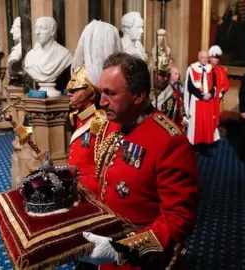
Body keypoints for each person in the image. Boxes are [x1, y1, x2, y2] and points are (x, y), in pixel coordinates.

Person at [79, 52, 199, 270]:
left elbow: (179, 218)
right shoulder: (113, 123)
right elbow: (103, 178)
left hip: (142, 259)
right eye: (101, 92)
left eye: (110, 93)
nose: (102, 102)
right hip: (101, 242)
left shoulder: (169, 141)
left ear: (139, 96)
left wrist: (123, 249)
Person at [67, 20, 122, 195]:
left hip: (88, 191)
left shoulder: (102, 122)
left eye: (76, 90)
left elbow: (102, 172)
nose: (70, 94)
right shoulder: (80, 117)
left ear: (91, 93)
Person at [184, 51, 220, 149]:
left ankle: (206, 144)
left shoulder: (210, 69)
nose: (204, 59)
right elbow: (190, 87)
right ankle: (195, 144)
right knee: (196, 123)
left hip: (208, 101)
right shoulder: (191, 69)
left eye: (206, 57)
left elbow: (215, 86)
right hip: (197, 101)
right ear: (198, 57)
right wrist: (201, 96)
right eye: (202, 57)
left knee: (206, 123)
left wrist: (211, 94)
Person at [150, 29, 184, 128]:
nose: (165, 79)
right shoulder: (145, 93)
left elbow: (178, 120)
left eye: (167, 75)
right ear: (154, 73)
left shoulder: (174, 94)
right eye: (161, 75)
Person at [208, 45, 230, 122]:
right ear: (210, 58)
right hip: (208, 99)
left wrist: (222, 92)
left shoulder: (221, 70)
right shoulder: (206, 69)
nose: (216, 59)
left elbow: (226, 83)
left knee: (216, 119)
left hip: (218, 99)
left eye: (218, 58)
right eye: (214, 57)